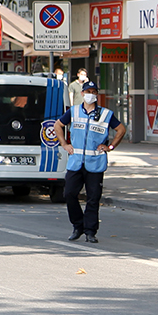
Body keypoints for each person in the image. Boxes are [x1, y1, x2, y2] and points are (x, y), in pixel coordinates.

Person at [57, 79, 125, 243]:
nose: (90, 95)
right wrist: (64, 144)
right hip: (76, 162)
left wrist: (111, 147)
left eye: (94, 92)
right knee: (69, 194)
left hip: (95, 163)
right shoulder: (73, 111)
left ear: (97, 95)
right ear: (82, 94)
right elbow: (58, 125)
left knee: (93, 198)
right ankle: (78, 225)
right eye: (88, 92)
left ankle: (90, 231)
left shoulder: (105, 114)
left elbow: (121, 129)